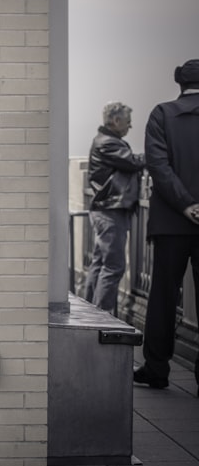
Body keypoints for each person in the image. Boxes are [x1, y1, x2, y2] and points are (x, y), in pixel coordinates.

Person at [134, 60, 199, 394]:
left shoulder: (162, 114)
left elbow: (158, 167)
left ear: (179, 83)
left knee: (162, 296)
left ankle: (156, 369)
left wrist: (187, 204)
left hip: (172, 222)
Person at [83, 101, 146, 314]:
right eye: (128, 122)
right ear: (116, 120)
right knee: (113, 266)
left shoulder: (103, 140)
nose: (130, 126)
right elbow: (134, 162)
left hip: (104, 210)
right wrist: (157, 151)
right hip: (110, 210)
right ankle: (102, 317)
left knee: (100, 263)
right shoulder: (108, 143)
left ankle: (89, 312)